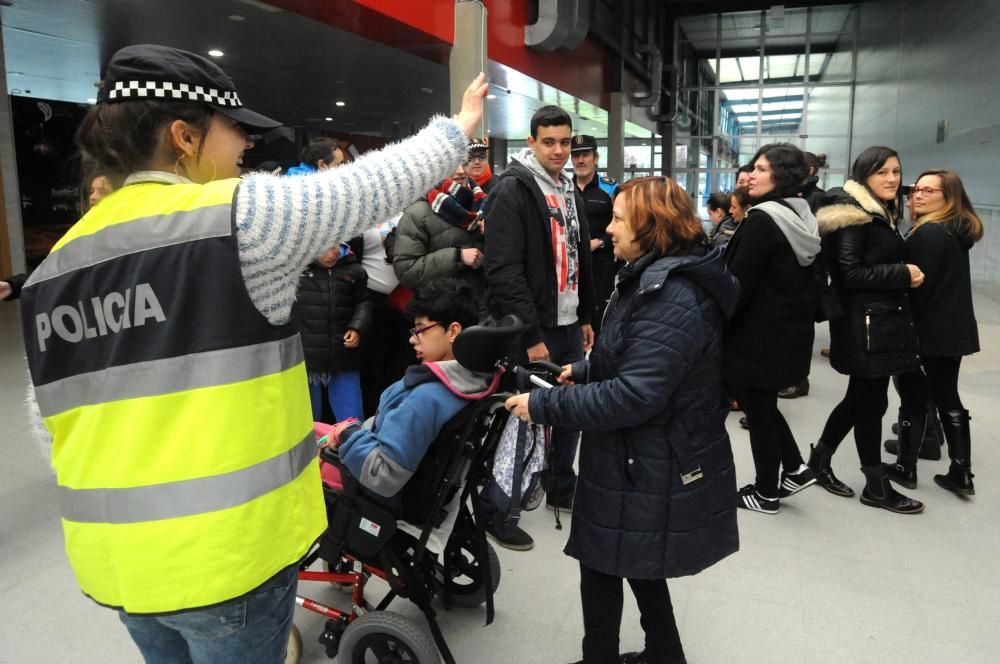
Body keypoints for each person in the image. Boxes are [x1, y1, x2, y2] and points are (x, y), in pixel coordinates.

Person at [18, 43, 486, 663]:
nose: (247, 147)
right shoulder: (238, 220)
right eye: (236, 131)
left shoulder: (52, 271)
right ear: (184, 136)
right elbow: (364, 189)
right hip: (227, 561)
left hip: (119, 569)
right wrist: (459, 130)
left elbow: (51, 428)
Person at [505, 176, 739, 664]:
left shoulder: (671, 293)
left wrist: (544, 406)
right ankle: (664, 653)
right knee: (629, 555)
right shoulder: (652, 276)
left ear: (650, 226)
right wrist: (584, 369)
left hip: (646, 453)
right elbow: (639, 356)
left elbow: (637, 395)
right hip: (640, 452)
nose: (608, 228)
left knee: (606, 559)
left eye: (617, 218)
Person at [483, 104, 595, 550]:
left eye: (565, 142)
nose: (558, 150)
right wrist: (530, 336)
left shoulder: (568, 187)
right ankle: (499, 511)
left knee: (572, 411)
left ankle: (560, 484)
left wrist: (587, 315)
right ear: (531, 142)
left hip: (568, 322)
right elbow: (503, 270)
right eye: (548, 141)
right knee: (524, 421)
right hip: (533, 329)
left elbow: (580, 258)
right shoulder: (513, 189)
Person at [810, 146, 925, 513]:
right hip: (865, 327)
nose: (892, 179)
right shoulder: (854, 215)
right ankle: (875, 485)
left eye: (896, 171)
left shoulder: (878, 212)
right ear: (864, 177)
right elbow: (850, 273)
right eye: (882, 173)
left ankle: (819, 460)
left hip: (875, 322)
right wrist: (902, 273)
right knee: (871, 404)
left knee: (861, 399)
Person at [724, 143, 822, 514]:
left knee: (759, 411)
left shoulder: (763, 219)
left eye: (761, 169)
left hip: (756, 336)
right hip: (788, 333)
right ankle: (795, 468)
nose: (751, 174)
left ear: (780, 177)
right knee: (762, 404)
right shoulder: (801, 216)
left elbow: (737, 283)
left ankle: (766, 492)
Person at [336, 278, 498, 498]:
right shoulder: (475, 380)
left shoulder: (424, 399)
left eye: (420, 329)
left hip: (369, 495)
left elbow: (382, 475)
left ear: (453, 331)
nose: (412, 339)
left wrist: (348, 433)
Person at [886, 170, 983, 495]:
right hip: (952, 331)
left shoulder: (929, 233)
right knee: (946, 396)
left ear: (948, 196)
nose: (918, 195)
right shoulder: (954, 231)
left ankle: (905, 467)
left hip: (927, 330)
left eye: (929, 190)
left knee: (913, 398)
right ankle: (962, 472)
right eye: (916, 189)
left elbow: (917, 287)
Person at [292, 242, 372, 423]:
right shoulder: (297, 270)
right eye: (325, 247)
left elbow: (364, 302)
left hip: (343, 352)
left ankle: (351, 446)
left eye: (336, 246)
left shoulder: (354, 270)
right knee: (307, 418)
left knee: (351, 417)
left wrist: (357, 327)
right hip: (307, 355)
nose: (332, 253)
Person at [392, 159, 487, 310]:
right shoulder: (417, 213)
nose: (461, 171)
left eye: (464, 163)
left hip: (481, 309)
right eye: (451, 165)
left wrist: (489, 236)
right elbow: (407, 271)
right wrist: (457, 256)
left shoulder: (483, 204)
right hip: (441, 315)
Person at [572, 134, 618, 334]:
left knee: (599, 327)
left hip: (602, 270)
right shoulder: (562, 187)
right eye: (575, 155)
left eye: (585, 154)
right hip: (570, 271)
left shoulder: (610, 189)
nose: (580, 160)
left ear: (595, 158)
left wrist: (599, 242)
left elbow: (625, 226)